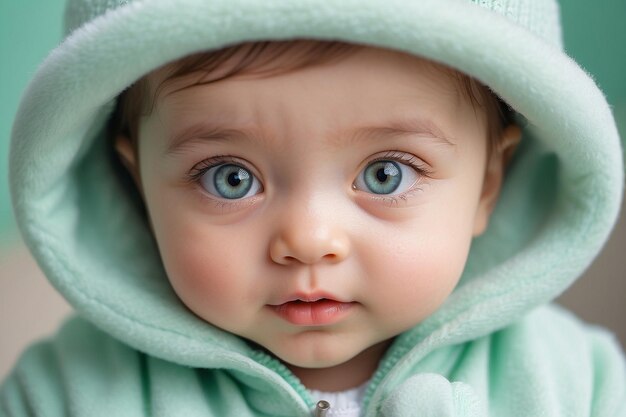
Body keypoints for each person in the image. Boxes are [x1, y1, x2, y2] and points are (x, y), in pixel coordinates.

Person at [2, 0, 624, 416]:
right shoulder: (65, 393)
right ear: (138, 184)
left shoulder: (578, 385)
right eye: (230, 178)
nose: (308, 239)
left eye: (385, 174)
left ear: (487, 183)